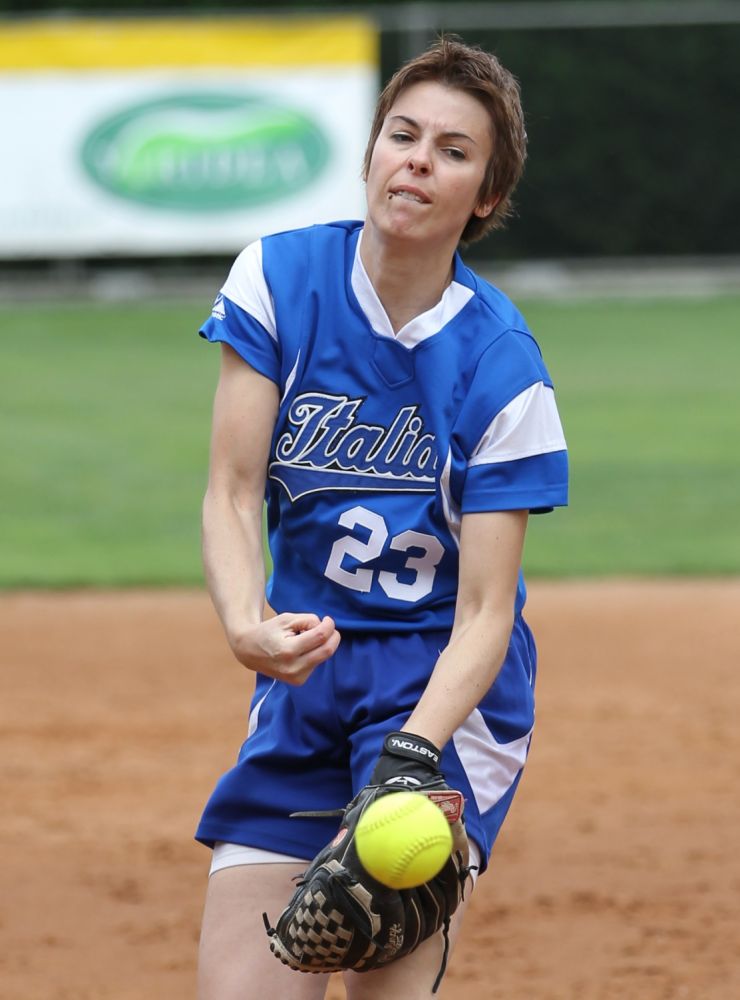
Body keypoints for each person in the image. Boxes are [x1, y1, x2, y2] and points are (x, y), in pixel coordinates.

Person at [195, 36, 568, 1000]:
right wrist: (245, 622)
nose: (417, 159)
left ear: (484, 196)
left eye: (453, 150)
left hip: (439, 686)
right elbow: (233, 492)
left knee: (384, 980)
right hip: (310, 664)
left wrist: (414, 752)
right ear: (370, 153)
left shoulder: (503, 366)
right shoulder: (279, 281)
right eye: (402, 135)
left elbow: (487, 611)